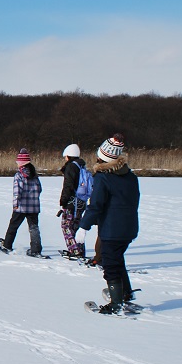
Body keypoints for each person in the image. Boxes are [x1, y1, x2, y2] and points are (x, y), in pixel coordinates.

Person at [76, 134, 140, 314]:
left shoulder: (102, 178)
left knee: (110, 264)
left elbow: (95, 206)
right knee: (117, 259)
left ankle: (116, 303)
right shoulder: (130, 176)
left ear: (102, 157)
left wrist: (83, 226)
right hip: (129, 228)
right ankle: (125, 293)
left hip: (112, 230)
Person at [0, 148, 44, 257]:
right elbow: (39, 189)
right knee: (34, 228)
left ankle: (7, 245)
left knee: (13, 226)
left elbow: (17, 192)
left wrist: (15, 205)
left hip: (21, 207)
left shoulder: (19, 175)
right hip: (34, 207)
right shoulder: (34, 175)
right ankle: (36, 249)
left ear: (21, 163)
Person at [58, 144, 88, 258]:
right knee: (76, 227)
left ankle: (74, 251)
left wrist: (63, 201)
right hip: (81, 201)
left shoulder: (70, 167)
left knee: (66, 226)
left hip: (71, 202)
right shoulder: (81, 166)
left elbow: (68, 186)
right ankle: (80, 250)